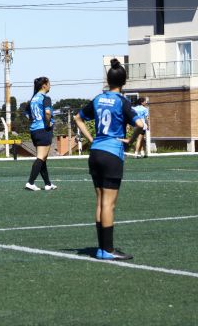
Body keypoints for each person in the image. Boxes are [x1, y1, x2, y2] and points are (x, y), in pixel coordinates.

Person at [74, 58, 144, 261]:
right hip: (112, 153)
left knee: (99, 202)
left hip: (95, 152)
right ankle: (108, 250)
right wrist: (129, 141)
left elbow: (77, 118)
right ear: (124, 81)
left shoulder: (98, 98)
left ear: (108, 79)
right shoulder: (122, 102)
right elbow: (140, 124)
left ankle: (101, 248)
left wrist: (90, 139)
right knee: (109, 204)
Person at [24, 77, 57, 191]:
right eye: (49, 83)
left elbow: (27, 114)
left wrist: (35, 121)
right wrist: (47, 124)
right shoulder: (45, 98)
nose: (50, 86)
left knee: (43, 158)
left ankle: (48, 184)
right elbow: (48, 113)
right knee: (40, 157)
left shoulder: (33, 99)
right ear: (44, 85)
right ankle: (30, 182)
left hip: (34, 130)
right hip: (43, 130)